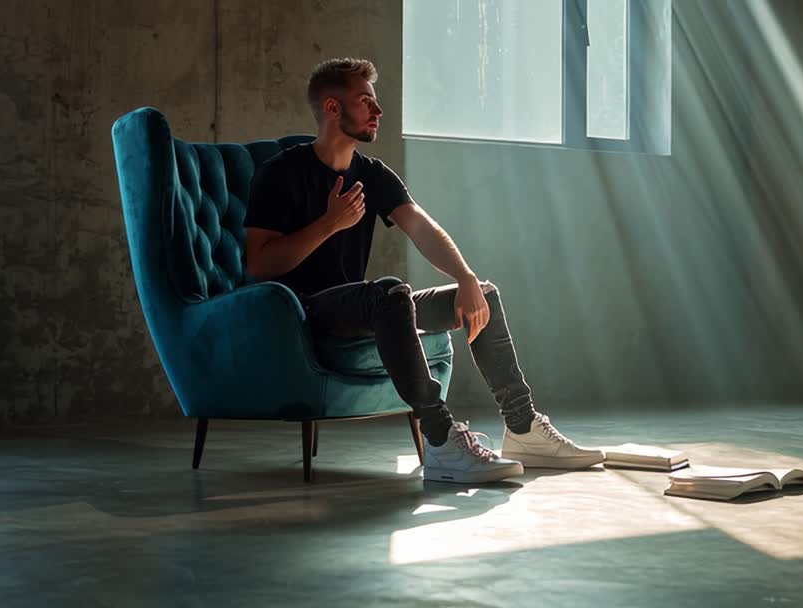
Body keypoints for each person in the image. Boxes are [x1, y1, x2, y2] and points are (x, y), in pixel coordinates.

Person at [242, 57, 603, 483]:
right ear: (333, 109)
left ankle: (522, 426)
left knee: (482, 293)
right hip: (301, 311)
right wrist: (328, 224)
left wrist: (465, 278)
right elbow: (259, 266)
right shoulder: (280, 172)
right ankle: (439, 440)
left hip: (357, 305)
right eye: (365, 102)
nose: (377, 112)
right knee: (390, 293)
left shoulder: (372, 174)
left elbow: (422, 228)